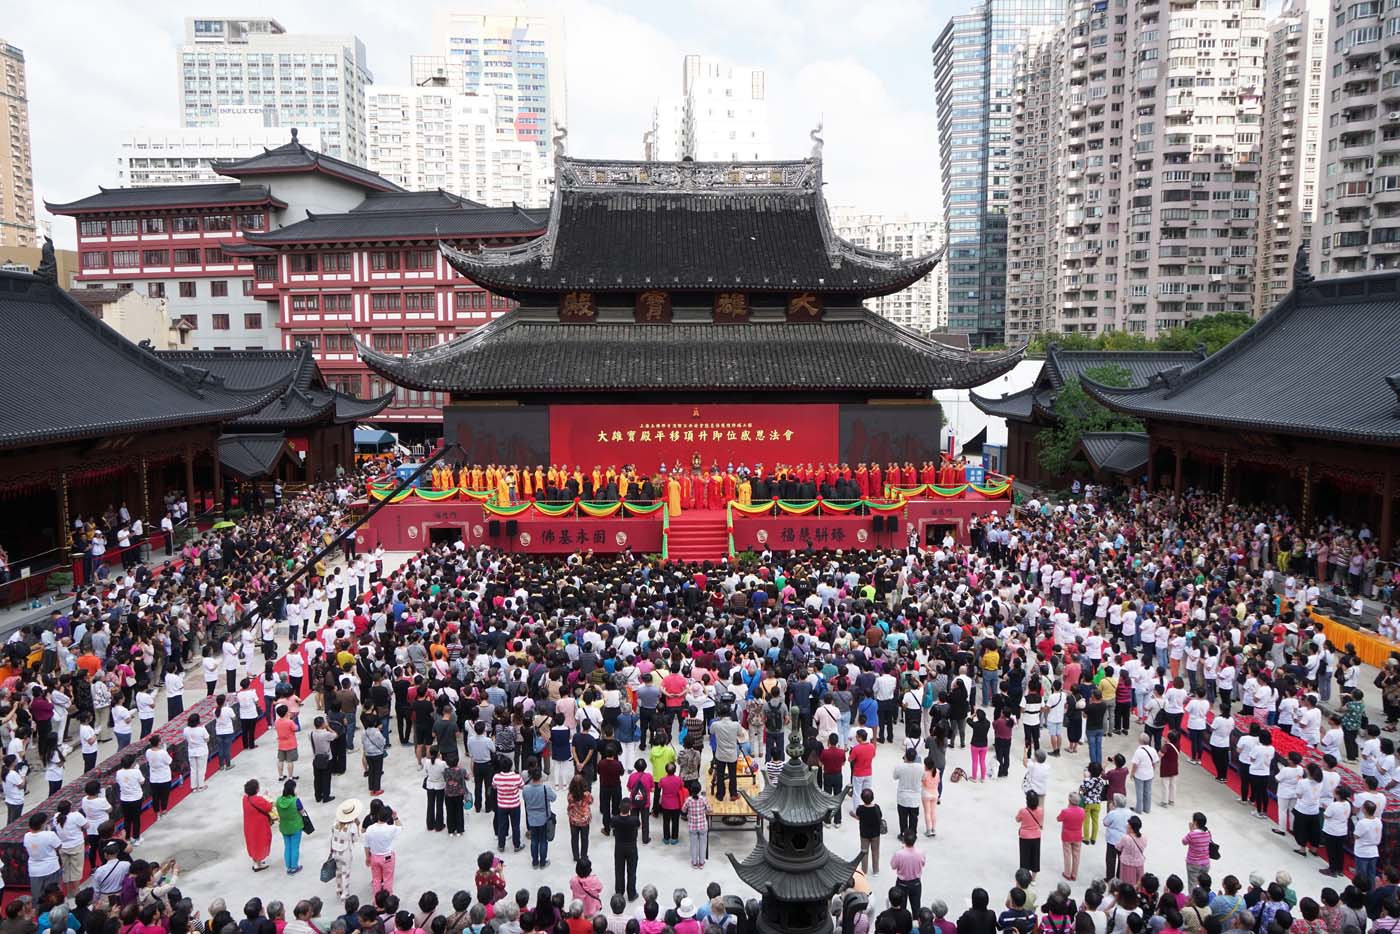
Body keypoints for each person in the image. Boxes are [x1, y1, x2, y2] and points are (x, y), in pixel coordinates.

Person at [362, 803, 402, 896]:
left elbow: (366, 845)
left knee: (376, 880)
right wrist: (395, 817)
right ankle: (387, 901)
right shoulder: (390, 829)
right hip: (387, 857)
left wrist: (367, 857)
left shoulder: (370, 829)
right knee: (388, 879)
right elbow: (400, 827)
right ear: (388, 818)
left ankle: (377, 902)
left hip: (374, 857)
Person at [327, 798, 363, 901]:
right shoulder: (352, 826)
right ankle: (345, 893)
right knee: (345, 873)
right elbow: (355, 839)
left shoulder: (335, 823)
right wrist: (357, 825)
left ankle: (338, 889)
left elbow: (332, 835)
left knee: (338, 870)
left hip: (335, 849)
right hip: (345, 851)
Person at [23, 811, 63, 902]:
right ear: (42, 824)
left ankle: (39, 913)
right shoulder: (49, 835)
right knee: (53, 895)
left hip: (34, 870)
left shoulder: (27, 836)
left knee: (37, 897)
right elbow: (59, 846)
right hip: (51, 868)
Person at [523, 767, 557, 869]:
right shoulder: (545, 788)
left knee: (534, 840)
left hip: (532, 818)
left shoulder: (526, 789)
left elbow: (525, 799)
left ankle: (534, 862)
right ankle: (542, 862)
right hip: (544, 818)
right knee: (543, 840)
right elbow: (554, 798)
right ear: (541, 777)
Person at [273, 778, 308, 875]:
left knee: (287, 846)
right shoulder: (296, 801)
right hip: (296, 826)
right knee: (295, 847)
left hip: (284, 827)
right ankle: (294, 867)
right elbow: (302, 812)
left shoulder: (278, 800)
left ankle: (288, 866)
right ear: (293, 789)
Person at [610, 799, 640, 902]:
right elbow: (638, 826)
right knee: (631, 872)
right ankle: (631, 893)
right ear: (630, 808)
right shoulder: (634, 820)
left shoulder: (614, 819)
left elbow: (612, 827)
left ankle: (619, 892)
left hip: (619, 847)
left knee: (619, 871)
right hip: (631, 847)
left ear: (620, 808)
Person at [242, 779, 275, 872]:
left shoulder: (245, 799)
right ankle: (258, 864)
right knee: (261, 843)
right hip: (259, 827)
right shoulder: (258, 800)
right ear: (256, 789)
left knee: (253, 843)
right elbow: (269, 807)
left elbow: (256, 801)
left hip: (249, 827)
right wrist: (268, 798)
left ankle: (256, 861)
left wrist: (263, 797)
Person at [891, 831, 926, 917]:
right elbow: (923, 864)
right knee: (916, 908)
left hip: (902, 884)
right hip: (916, 883)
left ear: (903, 840)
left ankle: (902, 925)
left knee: (901, 909)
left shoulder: (899, 854)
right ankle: (917, 924)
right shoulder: (920, 853)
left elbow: (893, 866)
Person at [893, 747, 924, 838]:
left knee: (903, 817)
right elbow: (923, 778)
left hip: (903, 796)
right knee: (914, 817)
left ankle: (903, 833)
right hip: (915, 797)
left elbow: (895, 777)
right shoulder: (921, 768)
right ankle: (913, 834)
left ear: (905, 756)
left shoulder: (900, 767)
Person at [681, 780, 711, 869]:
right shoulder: (703, 799)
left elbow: (683, 810)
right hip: (702, 825)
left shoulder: (688, 800)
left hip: (692, 826)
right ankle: (701, 862)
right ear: (699, 789)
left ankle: (694, 862)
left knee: (693, 844)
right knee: (702, 844)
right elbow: (709, 809)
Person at [1057, 792, 1085, 882]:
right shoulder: (1082, 811)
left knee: (1067, 855)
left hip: (1067, 835)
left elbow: (1058, 818)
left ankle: (1067, 873)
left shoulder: (1065, 811)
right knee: (1076, 855)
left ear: (1069, 801)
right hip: (1078, 835)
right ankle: (1074, 874)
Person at [1015, 791, 1043, 880]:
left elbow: (1017, 819)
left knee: (1024, 857)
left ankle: (1025, 877)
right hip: (1036, 836)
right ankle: (1033, 878)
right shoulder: (1040, 810)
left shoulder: (1023, 811)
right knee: (1035, 856)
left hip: (1025, 836)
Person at [1182, 812, 1213, 892]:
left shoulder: (1192, 834)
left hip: (1193, 864)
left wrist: (1191, 831)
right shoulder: (1208, 833)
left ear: (1195, 822)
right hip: (1205, 863)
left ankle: (1193, 902)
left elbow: (1184, 842)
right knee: (1203, 885)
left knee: (1192, 885)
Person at [856, 788, 883, 876]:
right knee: (875, 851)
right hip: (875, 834)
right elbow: (880, 816)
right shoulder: (876, 808)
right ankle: (876, 870)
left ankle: (864, 871)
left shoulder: (860, 809)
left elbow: (858, 816)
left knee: (864, 852)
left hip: (864, 834)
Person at [567, 775, 594, 862]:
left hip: (573, 820)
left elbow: (570, 802)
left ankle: (576, 856)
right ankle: (584, 856)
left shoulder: (570, 795)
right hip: (584, 820)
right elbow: (591, 802)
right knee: (585, 838)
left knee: (574, 838)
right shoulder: (587, 795)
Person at [1130, 734, 1159, 814]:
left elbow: (1135, 764)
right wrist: (1153, 771)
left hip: (1139, 775)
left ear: (1140, 741)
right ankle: (1147, 808)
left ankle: (1139, 809)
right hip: (1149, 774)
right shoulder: (1153, 750)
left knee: (1139, 792)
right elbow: (1155, 762)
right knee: (1148, 792)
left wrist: (1132, 773)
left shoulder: (1138, 751)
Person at [1116, 815, 1147, 886]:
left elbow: (1118, 847)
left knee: (1127, 885)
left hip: (1127, 865)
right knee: (1138, 884)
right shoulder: (1144, 837)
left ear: (1130, 827)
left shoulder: (1126, 838)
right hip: (1139, 863)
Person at [921, 753, 940, 838]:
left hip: (926, 794)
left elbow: (923, 783)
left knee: (927, 812)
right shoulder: (938, 772)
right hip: (935, 794)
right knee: (933, 812)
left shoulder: (925, 773)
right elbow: (938, 782)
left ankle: (928, 830)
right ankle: (934, 829)